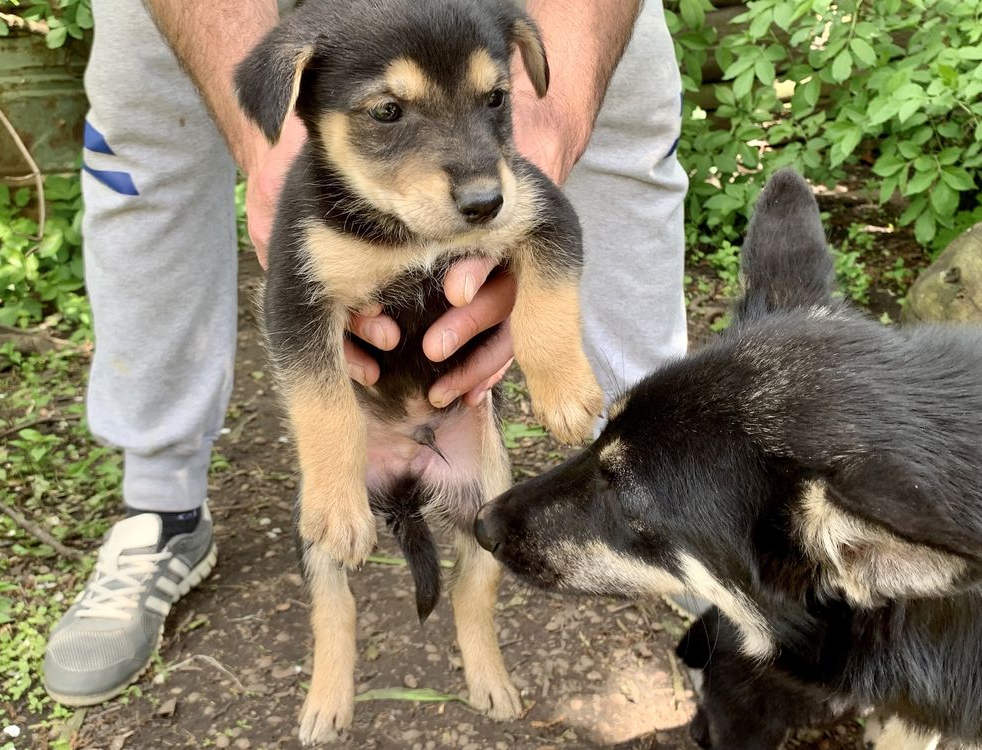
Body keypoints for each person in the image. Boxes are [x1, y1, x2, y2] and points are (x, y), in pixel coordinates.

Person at [42, 0, 687, 706]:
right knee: (143, 131)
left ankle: (668, 492)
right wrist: (266, 153)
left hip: (457, 408)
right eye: (388, 114)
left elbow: (548, 227)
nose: (477, 177)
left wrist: (550, 349)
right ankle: (161, 503)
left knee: (627, 125)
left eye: (494, 99)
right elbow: (299, 318)